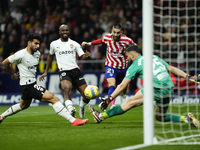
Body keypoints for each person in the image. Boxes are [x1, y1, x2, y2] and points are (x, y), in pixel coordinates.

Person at [89, 45, 200, 128]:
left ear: (132, 55)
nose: (127, 59)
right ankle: (186, 119)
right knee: (159, 116)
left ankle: (101, 116)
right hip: (169, 88)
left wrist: (109, 99)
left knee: (130, 103)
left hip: (157, 88)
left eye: (127, 56)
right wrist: (189, 77)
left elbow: (122, 85)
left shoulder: (135, 64)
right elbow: (171, 68)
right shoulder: (154, 57)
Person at [0, 33, 89, 126]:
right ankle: (73, 120)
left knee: (23, 105)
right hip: (28, 86)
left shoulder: (37, 54)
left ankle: (1, 117)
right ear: (29, 43)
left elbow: (28, 68)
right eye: (35, 43)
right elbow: (5, 62)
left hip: (29, 84)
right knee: (53, 99)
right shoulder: (21, 54)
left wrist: (23, 72)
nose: (38, 46)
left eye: (38, 44)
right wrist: (12, 74)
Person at [39, 24, 91, 119]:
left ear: (69, 31)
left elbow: (82, 56)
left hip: (75, 71)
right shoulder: (54, 44)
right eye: (63, 30)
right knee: (67, 90)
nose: (65, 32)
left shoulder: (74, 44)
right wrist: (46, 71)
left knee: (87, 96)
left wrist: (86, 56)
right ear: (59, 32)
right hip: (64, 71)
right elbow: (50, 57)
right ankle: (70, 109)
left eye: (66, 30)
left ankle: (82, 105)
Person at [81, 24, 136, 109]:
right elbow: (101, 41)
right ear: (111, 31)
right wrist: (89, 44)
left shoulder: (127, 40)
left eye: (118, 33)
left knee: (123, 89)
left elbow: (135, 48)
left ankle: (122, 92)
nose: (116, 35)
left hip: (123, 67)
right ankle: (112, 105)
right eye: (114, 32)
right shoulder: (107, 37)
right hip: (110, 65)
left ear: (121, 32)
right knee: (112, 84)